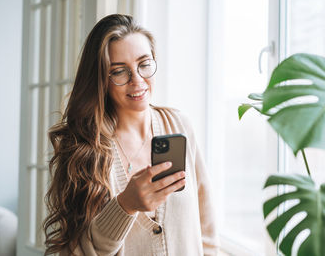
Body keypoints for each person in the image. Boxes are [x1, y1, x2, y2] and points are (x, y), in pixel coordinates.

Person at [43, 14, 219, 256]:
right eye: (119, 71)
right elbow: (80, 251)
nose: (137, 80)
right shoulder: (81, 148)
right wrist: (125, 205)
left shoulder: (179, 125)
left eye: (144, 64)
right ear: (101, 80)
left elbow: (206, 228)